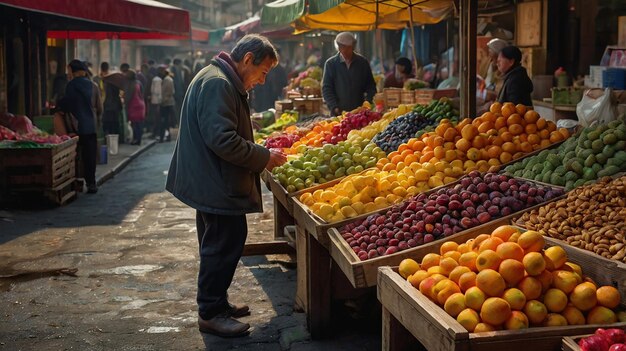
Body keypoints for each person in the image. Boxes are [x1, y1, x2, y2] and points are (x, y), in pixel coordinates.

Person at [165, 34, 287, 338]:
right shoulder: (218, 83)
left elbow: (222, 128)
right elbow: (221, 139)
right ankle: (210, 312)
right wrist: (264, 156)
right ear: (248, 59)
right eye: (263, 72)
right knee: (223, 242)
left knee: (221, 240)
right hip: (213, 180)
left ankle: (217, 303)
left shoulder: (218, 78)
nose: (261, 81)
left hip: (212, 177)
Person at [60, 60, 99, 194]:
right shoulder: (94, 86)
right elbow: (99, 108)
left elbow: (67, 103)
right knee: (90, 157)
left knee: (74, 156)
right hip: (91, 127)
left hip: (74, 127)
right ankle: (91, 183)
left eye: (69, 71)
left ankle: (76, 181)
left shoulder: (71, 86)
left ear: (74, 71)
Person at [322, 32, 377, 116]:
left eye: (348, 48)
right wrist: (334, 106)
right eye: (343, 47)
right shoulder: (331, 64)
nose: (345, 51)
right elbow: (327, 88)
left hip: (359, 114)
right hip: (338, 114)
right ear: (339, 48)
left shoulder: (362, 62)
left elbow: (371, 86)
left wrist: (367, 103)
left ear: (353, 47)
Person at [101, 62, 123, 136]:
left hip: (109, 106)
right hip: (114, 106)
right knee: (114, 123)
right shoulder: (115, 81)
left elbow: (106, 96)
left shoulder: (108, 82)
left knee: (108, 123)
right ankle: (115, 138)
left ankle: (109, 137)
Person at [124, 70, 146, 145]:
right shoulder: (138, 83)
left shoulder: (130, 84)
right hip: (141, 104)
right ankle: (138, 139)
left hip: (134, 105)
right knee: (139, 123)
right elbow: (142, 93)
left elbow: (128, 97)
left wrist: (124, 102)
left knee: (134, 124)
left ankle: (136, 139)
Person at [158, 66, 175, 142]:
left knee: (164, 121)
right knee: (166, 121)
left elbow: (169, 92)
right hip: (166, 103)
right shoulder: (166, 79)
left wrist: (163, 101)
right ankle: (167, 136)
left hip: (166, 104)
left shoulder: (167, 80)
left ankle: (163, 137)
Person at [149, 69, 162, 138]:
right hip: (157, 101)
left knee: (155, 117)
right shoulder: (158, 80)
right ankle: (156, 132)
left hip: (154, 100)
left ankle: (155, 132)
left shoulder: (155, 79)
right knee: (157, 117)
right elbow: (158, 91)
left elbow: (152, 90)